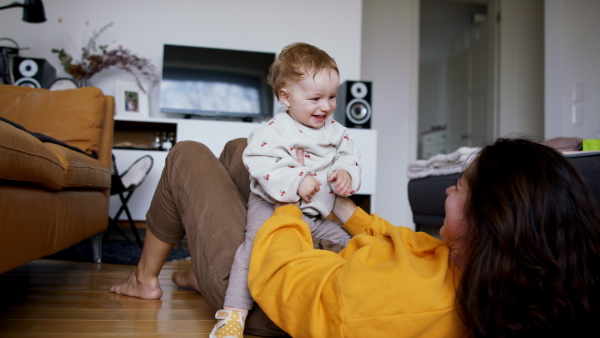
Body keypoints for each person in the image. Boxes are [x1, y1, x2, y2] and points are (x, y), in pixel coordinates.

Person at [110, 137, 600, 337]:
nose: (449, 189)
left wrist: (286, 200)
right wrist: (345, 209)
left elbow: (285, 276)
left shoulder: (394, 303)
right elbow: (409, 245)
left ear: (487, 220)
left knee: (189, 155)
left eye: (457, 187)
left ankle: (153, 280)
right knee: (244, 149)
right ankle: (205, 269)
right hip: (325, 264)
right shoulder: (482, 270)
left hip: (267, 290)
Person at [211, 42, 362, 337]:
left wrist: (345, 172)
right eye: (316, 98)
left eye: (332, 96)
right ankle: (233, 313)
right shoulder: (276, 130)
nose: (326, 106)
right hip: (270, 206)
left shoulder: (335, 131)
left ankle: (346, 296)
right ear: (285, 97)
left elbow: (349, 155)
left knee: (348, 242)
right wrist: (296, 179)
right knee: (254, 248)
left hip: (316, 216)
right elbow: (258, 160)